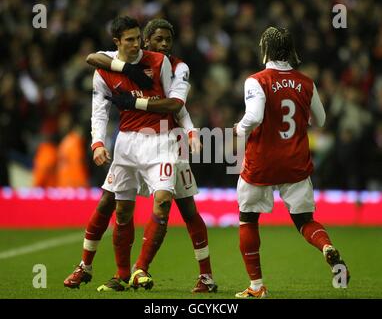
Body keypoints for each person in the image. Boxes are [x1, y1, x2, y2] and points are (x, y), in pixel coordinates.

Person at [64, 18, 217, 293]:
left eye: (168, 40)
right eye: (156, 40)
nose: (164, 45)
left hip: (166, 140)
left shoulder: (170, 64)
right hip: (127, 144)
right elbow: (98, 107)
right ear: (120, 43)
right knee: (117, 207)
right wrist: (97, 143)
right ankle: (111, 272)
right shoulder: (105, 68)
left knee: (176, 206)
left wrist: (191, 131)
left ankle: (147, 269)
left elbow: (175, 104)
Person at [233, 26, 350, 298]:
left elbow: (255, 116)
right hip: (295, 162)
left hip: (261, 163)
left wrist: (240, 128)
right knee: (305, 221)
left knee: (248, 219)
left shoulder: (256, 80)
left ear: (265, 49)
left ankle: (257, 287)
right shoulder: (307, 82)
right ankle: (326, 247)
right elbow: (320, 120)